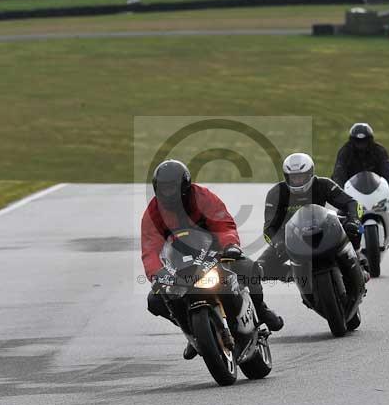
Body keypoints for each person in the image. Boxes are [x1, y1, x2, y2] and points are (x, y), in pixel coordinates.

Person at [141, 160, 284, 360]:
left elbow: (222, 224)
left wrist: (230, 246)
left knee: (249, 268)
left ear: (184, 184)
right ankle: (192, 332)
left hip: (215, 253)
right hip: (179, 266)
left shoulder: (202, 197)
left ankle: (260, 311)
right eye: (163, 188)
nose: (168, 192)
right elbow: (150, 248)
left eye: (172, 187)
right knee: (155, 300)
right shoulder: (153, 212)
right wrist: (157, 273)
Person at [259, 153, 368, 289]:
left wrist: (354, 221)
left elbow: (352, 203)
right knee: (259, 268)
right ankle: (293, 274)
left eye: (301, 176)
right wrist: (278, 242)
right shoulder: (276, 193)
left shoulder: (323, 184)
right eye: (293, 177)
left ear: (310, 173)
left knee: (352, 226)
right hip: (291, 237)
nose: (297, 181)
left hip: (324, 229)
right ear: (286, 177)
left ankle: (358, 259)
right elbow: (268, 227)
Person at [331, 123, 389, 221]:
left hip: (377, 190)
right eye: (358, 141)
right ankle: (350, 231)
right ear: (352, 140)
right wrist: (339, 191)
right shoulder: (345, 152)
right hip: (353, 193)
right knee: (341, 216)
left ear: (370, 139)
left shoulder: (378, 150)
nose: (361, 144)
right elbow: (339, 172)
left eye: (364, 141)